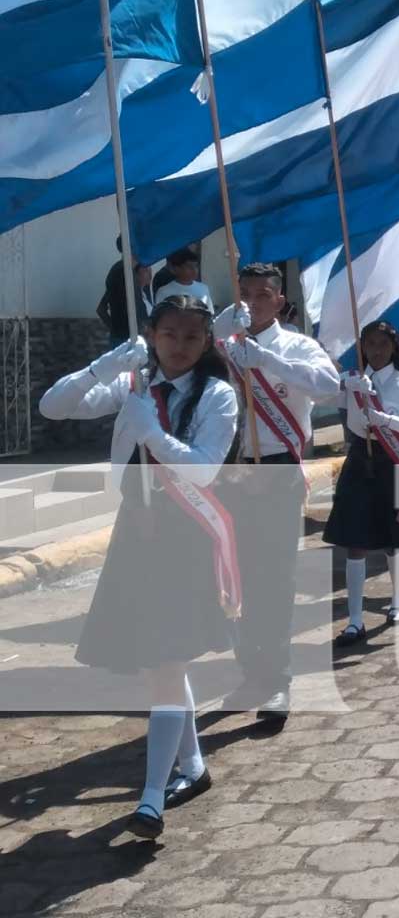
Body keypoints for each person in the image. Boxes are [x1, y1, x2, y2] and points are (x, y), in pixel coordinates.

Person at [40, 296, 239, 838]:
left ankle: (151, 797)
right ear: (151, 332)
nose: (179, 346)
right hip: (138, 533)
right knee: (164, 662)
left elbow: (202, 471)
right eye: (169, 334)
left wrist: (152, 433)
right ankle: (193, 768)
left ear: (208, 342)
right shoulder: (132, 381)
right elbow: (53, 408)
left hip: (185, 535)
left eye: (192, 337)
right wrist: (104, 366)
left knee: (166, 663)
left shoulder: (217, 395)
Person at [212, 263, 341, 729]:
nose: (250, 302)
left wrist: (266, 361)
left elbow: (330, 388)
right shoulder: (226, 342)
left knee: (276, 577)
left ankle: (278, 678)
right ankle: (251, 668)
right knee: (232, 579)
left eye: (260, 294)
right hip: (232, 471)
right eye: (243, 293)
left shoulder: (298, 347)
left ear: (280, 300)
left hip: (279, 471)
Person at [326, 321, 399, 645]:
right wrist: (344, 383)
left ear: (394, 348)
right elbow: (320, 397)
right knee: (354, 541)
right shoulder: (353, 382)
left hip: (394, 462)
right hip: (360, 461)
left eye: (382, 344)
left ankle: (398, 601)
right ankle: (355, 620)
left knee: (394, 539)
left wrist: (387, 420)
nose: (376, 350)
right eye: (370, 343)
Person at [97, 246, 154, 346]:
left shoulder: (144, 290)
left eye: (150, 270)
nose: (150, 274)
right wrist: (117, 330)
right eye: (146, 270)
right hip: (124, 340)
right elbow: (101, 309)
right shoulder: (121, 272)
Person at [153, 245, 213, 311]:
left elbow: (209, 313)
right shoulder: (163, 292)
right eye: (189, 266)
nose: (194, 270)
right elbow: (159, 317)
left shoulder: (203, 288)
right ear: (176, 268)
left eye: (196, 266)